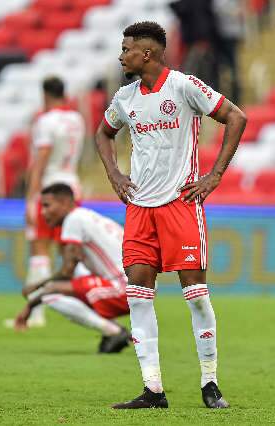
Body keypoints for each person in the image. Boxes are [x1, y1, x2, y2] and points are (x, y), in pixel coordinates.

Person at [94, 22, 247, 409]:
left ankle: (210, 384)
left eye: (126, 48)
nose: (121, 55)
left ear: (146, 53)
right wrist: (114, 174)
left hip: (180, 206)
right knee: (138, 298)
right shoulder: (125, 97)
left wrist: (214, 176)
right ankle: (153, 390)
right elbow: (102, 133)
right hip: (140, 209)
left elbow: (236, 117)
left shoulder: (184, 86)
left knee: (195, 297)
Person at [14, 183, 131, 353]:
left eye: (47, 205)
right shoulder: (87, 217)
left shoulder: (73, 220)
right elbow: (72, 270)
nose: (43, 212)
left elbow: (66, 272)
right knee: (72, 279)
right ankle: (113, 331)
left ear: (64, 203)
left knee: (51, 293)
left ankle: (115, 332)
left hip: (124, 289)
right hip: (137, 285)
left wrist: (33, 299)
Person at [23, 76, 86, 327]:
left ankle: (36, 314)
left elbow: (41, 158)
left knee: (40, 250)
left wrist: (31, 198)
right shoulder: (77, 119)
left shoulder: (45, 121)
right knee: (69, 250)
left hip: (50, 189)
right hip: (72, 187)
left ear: (45, 95)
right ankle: (91, 303)